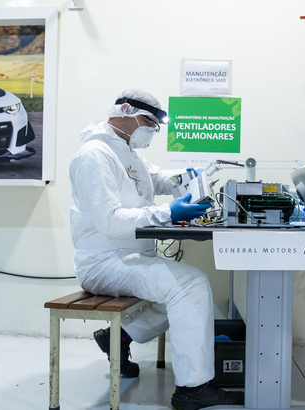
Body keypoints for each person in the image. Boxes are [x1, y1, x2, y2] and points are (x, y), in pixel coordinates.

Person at [69, 89, 244, 409]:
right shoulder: (94, 155)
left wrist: (188, 177)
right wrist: (167, 213)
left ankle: (119, 337)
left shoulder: (127, 153)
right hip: (102, 261)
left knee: (185, 292)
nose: (151, 131)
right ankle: (193, 389)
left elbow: (158, 180)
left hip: (130, 258)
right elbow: (108, 221)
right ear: (124, 110)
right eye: (148, 122)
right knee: (190, 284)